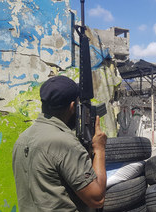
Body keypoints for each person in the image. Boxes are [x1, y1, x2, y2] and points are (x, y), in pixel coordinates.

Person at [12, 75, 107, 211]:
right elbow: (97, 199)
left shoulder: (22, 138)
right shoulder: (64, 142)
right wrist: (100, 149)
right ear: (73, 106)